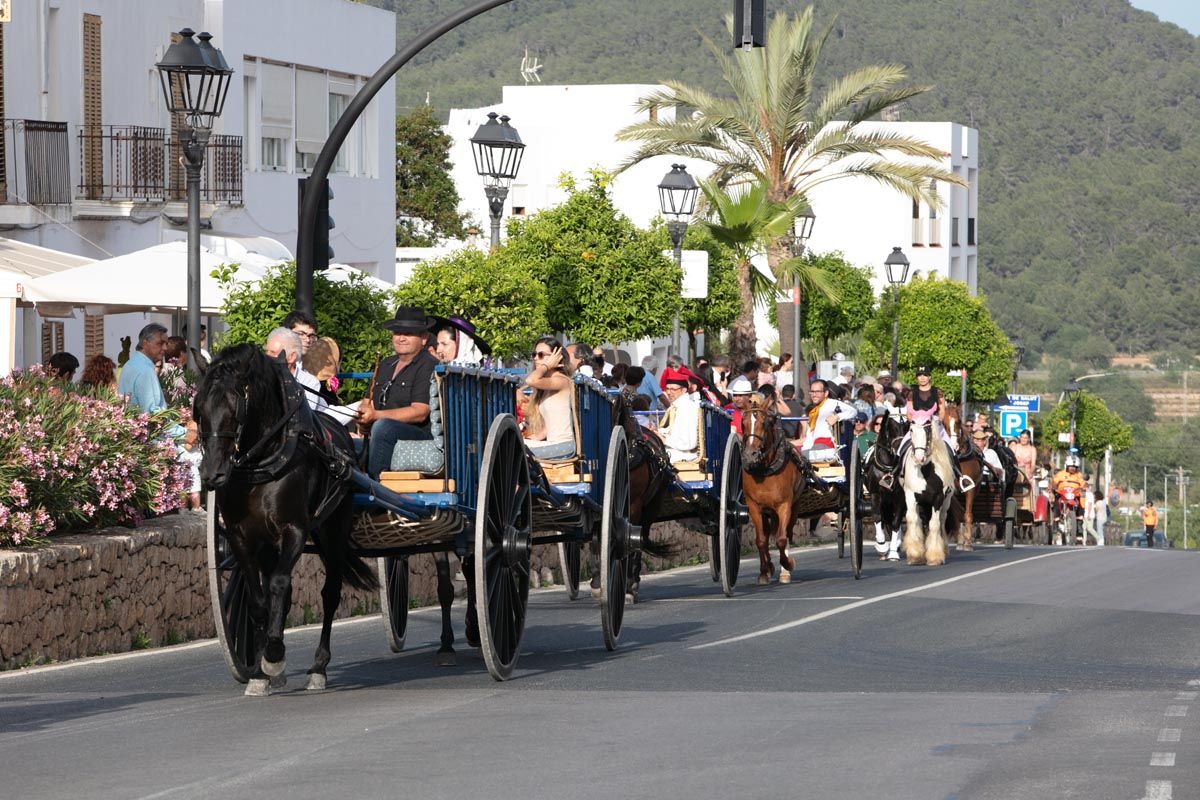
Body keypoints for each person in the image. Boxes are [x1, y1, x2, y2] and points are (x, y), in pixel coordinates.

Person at [360, 306, 440, 479]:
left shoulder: (429, 365)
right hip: (381, 431)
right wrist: (362, 417)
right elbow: (368, 402)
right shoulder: (385, 364)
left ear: (424, 338)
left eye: (409, 334)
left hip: (418, 432)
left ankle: (375, 489)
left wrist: (376, 416)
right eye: (397, 332)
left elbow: (420, 411)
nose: (401, 338)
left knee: (383, 427)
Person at [524, 337, 576, 459]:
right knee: (512, 443)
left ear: (556, 357)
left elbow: (530, 380)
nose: (536, 358)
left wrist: (546, 365)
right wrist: (537, 437)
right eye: (534, 354)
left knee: (513, 446)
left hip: (563, 446)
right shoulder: (548, 386)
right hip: (553, 444)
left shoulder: (561, 380)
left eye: (541, 355)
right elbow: (555, 422)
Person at [794, 379, 857, 460]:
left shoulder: (831, 403)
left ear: (826, 393)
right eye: (812, 392)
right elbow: (810, 437)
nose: (814, 395)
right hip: (813, 446)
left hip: (825, 446)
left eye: (817, 392)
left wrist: (837, 417)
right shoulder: (813, 411)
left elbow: (853, 411)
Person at [118, 324, 170, 413]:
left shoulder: (130, 364)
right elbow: (153, 415)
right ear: (145, 343)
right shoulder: (146, 370)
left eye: (166, 344)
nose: (165, 348)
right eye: (160, 343)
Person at [655, 369, 700, 463]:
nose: (668, 392)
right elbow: (673, 430)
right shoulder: (677, 407)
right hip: (673, 451)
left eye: (673, 389)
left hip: (683, 455)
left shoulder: (688, 408)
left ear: (683, 390)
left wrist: (665, 440)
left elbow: (688, 443)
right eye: (667, 389)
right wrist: (658, 433)